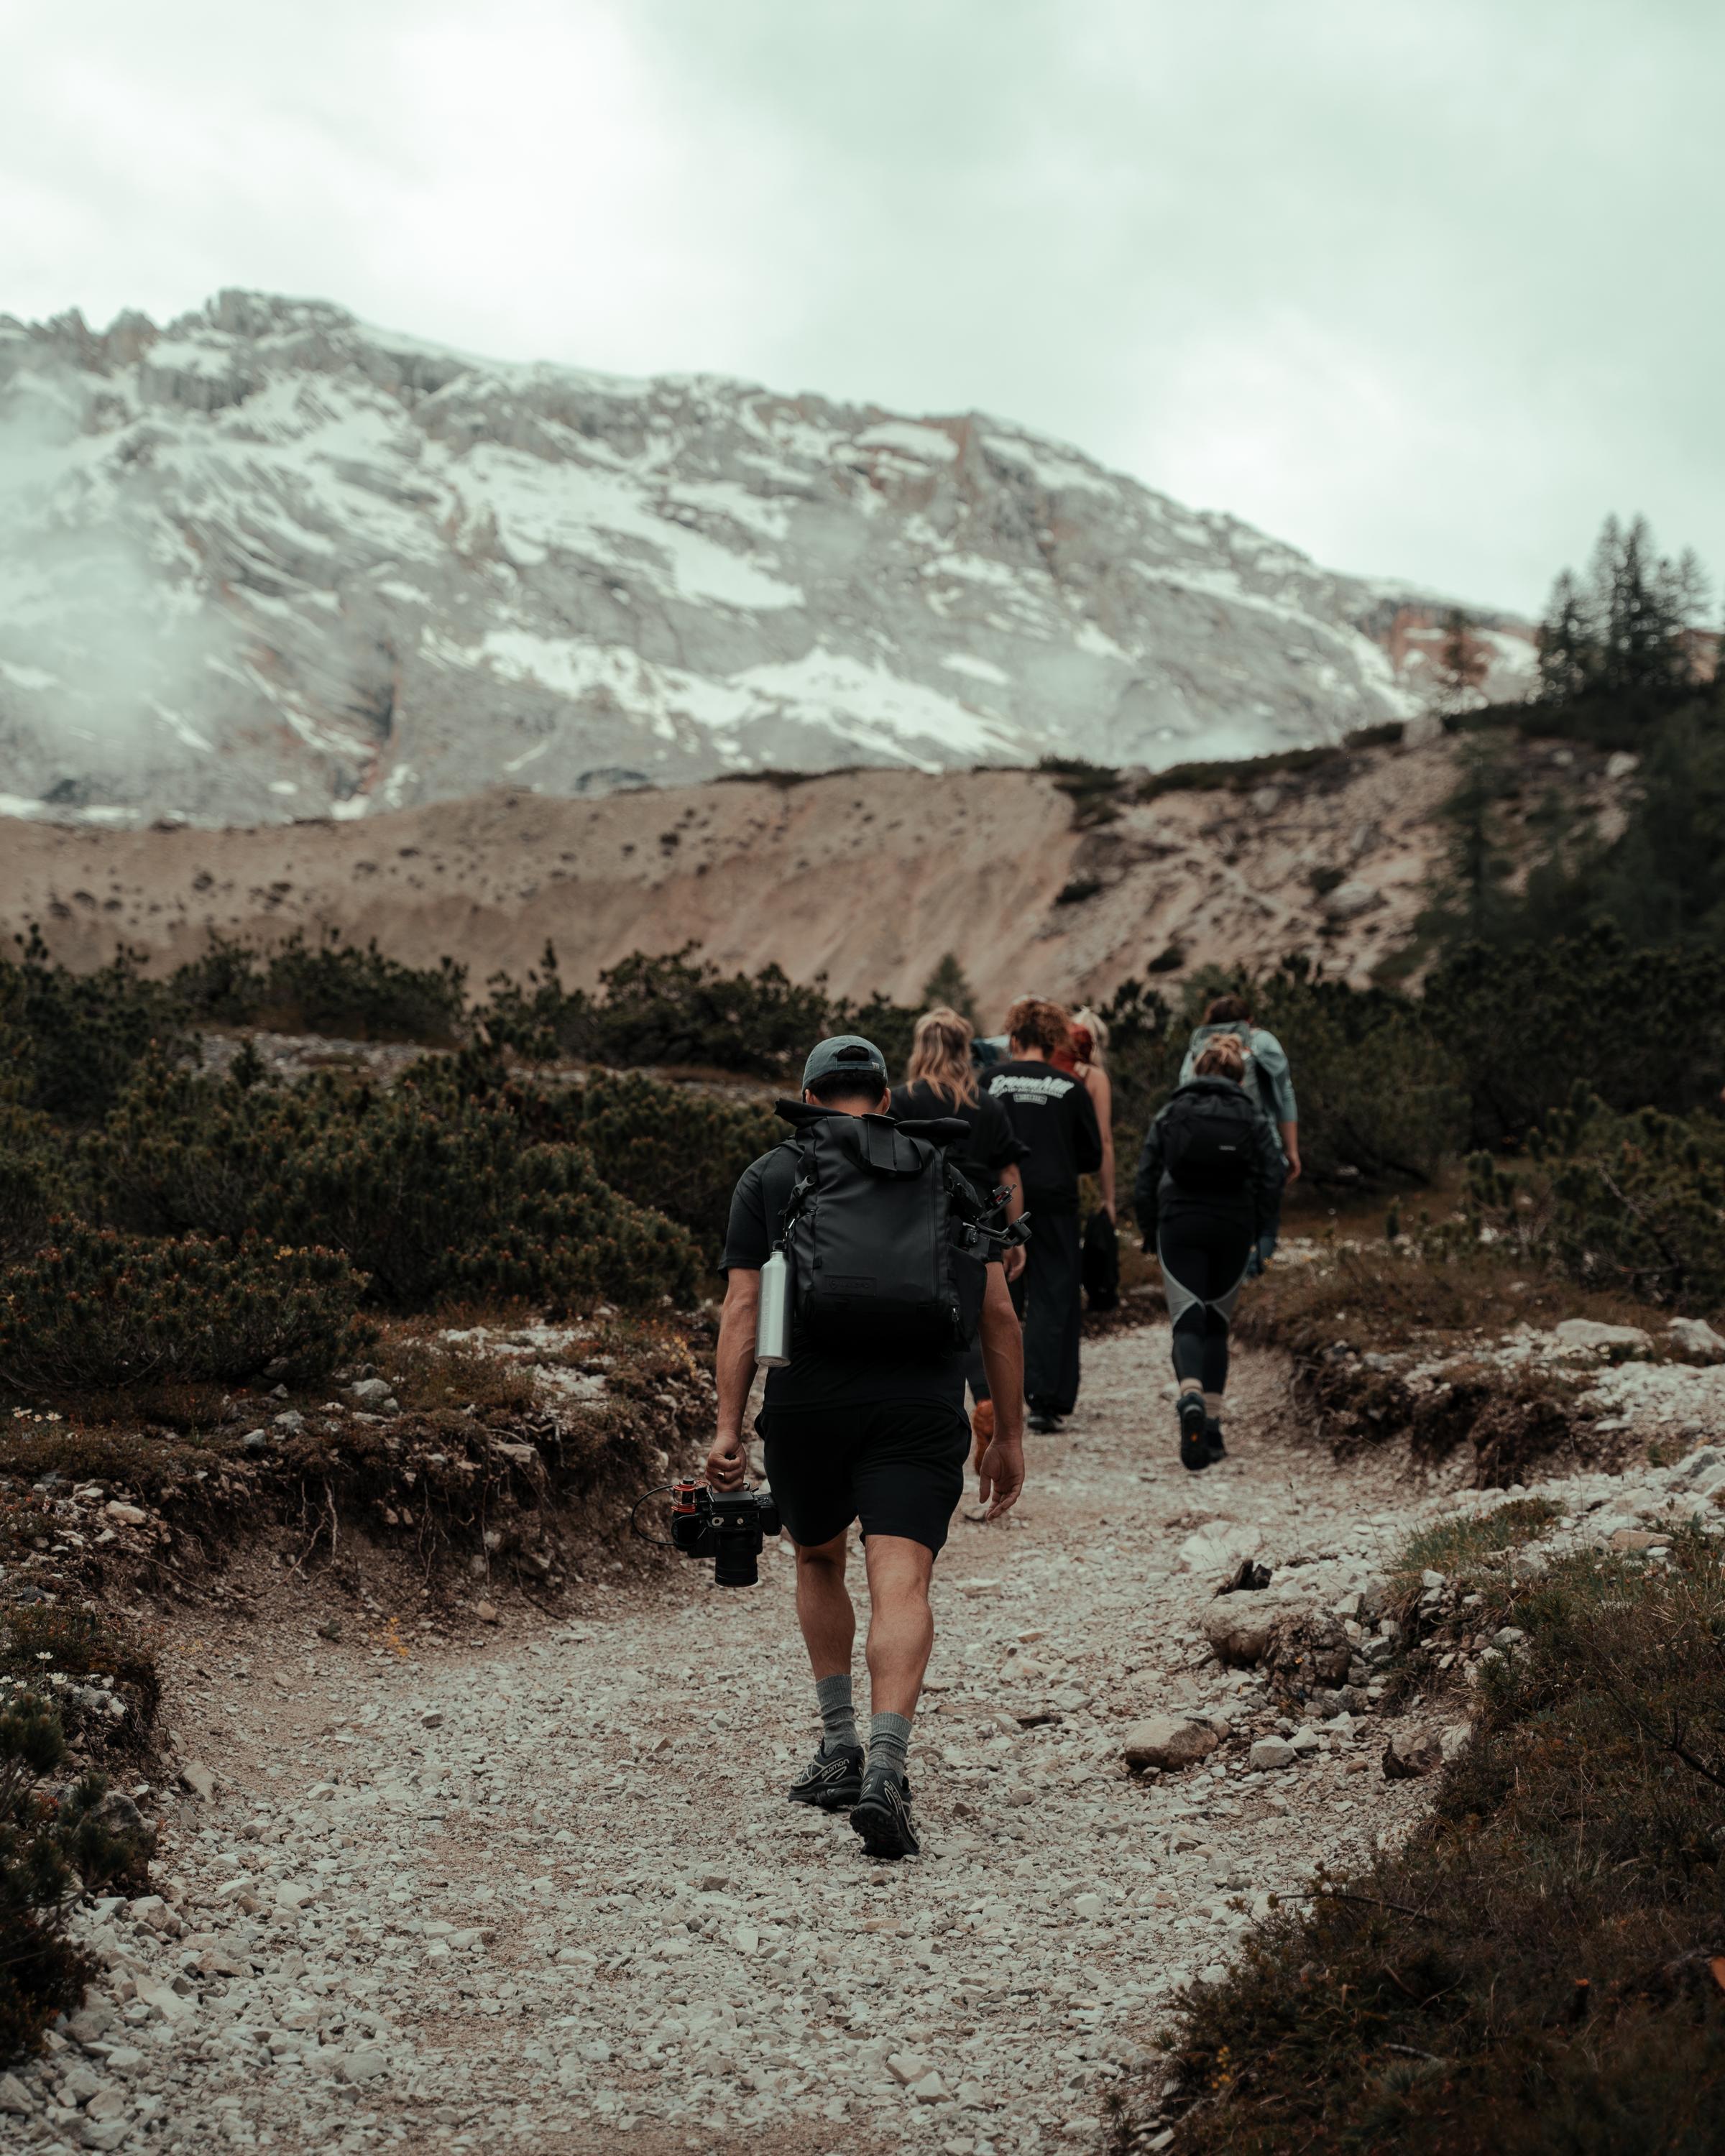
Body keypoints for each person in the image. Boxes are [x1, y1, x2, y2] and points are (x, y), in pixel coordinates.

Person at [709, 1033, 1026, 1859]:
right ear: (887, 1102)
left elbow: (744, 1312)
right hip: (921, 1407)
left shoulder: (772, 1175)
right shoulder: (947, 1175)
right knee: (903, 1578)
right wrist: (1009, 1437)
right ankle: (888, 1767)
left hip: (809, 1405)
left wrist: (727, 1429)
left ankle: (840, 1746)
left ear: (810, 1098)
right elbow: (998, 1317)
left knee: (819, 1560)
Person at [1135, 1033, 1285, 1471]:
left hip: (1179, 1221)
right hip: (1233, 1225)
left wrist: (1149, 1230)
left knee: (1187, 1319)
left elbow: (1145, 1176)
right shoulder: (1253, 1116)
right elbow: (1271, 1177)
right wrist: (1263, 1233)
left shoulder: (1172, 1111)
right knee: (1217, 1325)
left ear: (1198, 1070)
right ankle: (1214, 1429)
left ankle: (1191, 1395)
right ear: (1240, 1076)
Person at [891, 1007, 1028, 1468]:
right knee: (984, 1315)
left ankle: (919, 1412)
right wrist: (1014, 1237)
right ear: (963, 1049)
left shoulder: (902, 1100)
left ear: (922, 1047)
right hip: (979, 1222)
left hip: (917, 1223)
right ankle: (987, 1399)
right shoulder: (988, 1104)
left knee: (921, 1313)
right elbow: (1009, 1169)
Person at [985, 997, 1103, 1433]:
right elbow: (1091, 1155)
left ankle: (995, 1400)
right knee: (1055, 1300)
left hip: (997, 1203)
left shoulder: (989, 1081)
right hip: (1055, 1203)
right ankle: (1044, 1401)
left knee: (999, 1301)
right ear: (1053, 1039)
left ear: (1013, 1038)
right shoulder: (1070, 1087)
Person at [1179, 994, 1300, 1269]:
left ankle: (1226, 1272)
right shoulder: (1263, 1042)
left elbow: (1182, 1092)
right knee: (1265, 1218)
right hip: (1259, 1142)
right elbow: (1286, 1094)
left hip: (1205, 1148)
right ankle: (1251, 1270)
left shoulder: (1198, 1047)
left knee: (1219, 1213)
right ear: (1248, 1020)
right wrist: (1291, 1150)